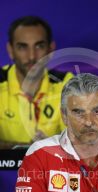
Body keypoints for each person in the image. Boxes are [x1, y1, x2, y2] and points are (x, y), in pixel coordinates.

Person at [0, 15, 73, 146]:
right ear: (10, 50)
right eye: (23, 47)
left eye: (39, 46)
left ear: (51, 49)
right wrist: (32, 150)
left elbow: (82, 144)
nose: (32, 56)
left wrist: (50, 149)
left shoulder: (67, 84)